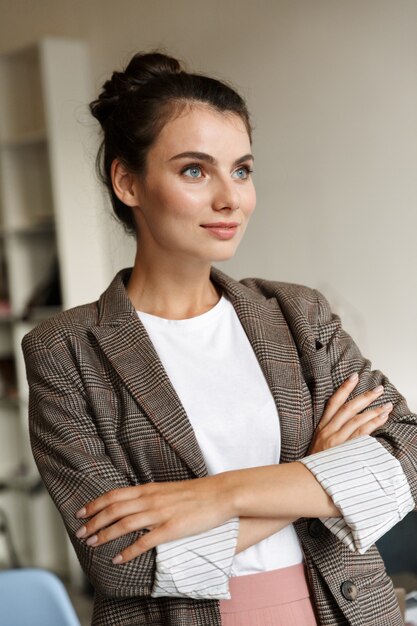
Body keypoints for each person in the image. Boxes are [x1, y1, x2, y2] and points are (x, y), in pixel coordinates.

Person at [22, 51, 416, 626]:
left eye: (242, 170)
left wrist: (220, 494)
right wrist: (314, 474)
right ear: (128, 181)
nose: (231, 198)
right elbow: (123, 562)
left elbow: (403, 461)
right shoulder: (65, 350)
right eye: (193, 170)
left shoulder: (298, 315)